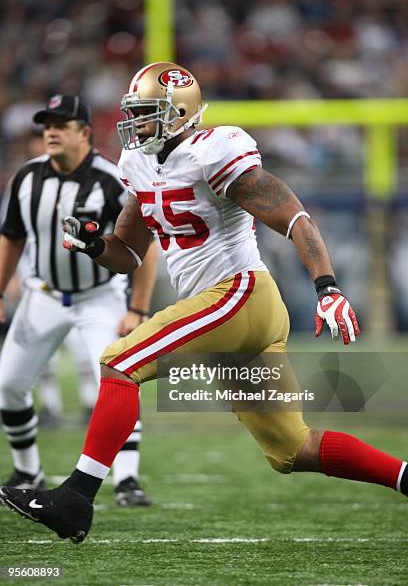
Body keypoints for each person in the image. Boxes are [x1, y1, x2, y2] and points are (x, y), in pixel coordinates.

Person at [1, 63, 407, 543]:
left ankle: (75, 498)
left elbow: (293, 214)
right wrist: (94, 243)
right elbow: (128, 253)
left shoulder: (213, 149)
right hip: (223, 311)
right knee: (293, 450)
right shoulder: (137, 164)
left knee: (118, 362)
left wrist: (327, 287)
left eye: (146, 114)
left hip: (238, 294)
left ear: (178, 113)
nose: (136, 124)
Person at [0, 94, 158, 506]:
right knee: (8, 386)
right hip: (43, 294)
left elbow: (144, 246)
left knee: (117, 381)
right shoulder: (27, 177)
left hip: (99, 296)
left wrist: (137, 308)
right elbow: (11, 238)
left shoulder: (111, 179)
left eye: (62, 124)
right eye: (47, 124)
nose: (51, 131)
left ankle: (127, 480)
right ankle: (27, 468)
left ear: (84, 132)